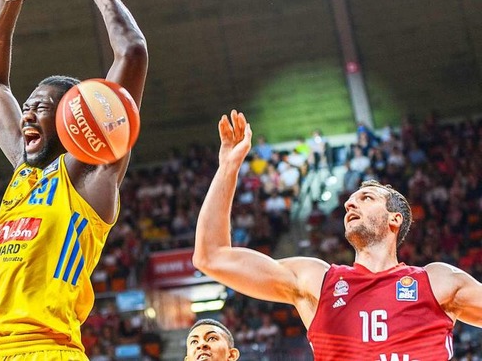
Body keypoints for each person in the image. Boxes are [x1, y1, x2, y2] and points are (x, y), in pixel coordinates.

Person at [0, 0, 148, 358]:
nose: (26, 114)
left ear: (71, 122)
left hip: (47, 348)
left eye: (40, 108)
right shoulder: (24, 169)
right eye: (25, 106)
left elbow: (133, 51)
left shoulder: (88, 174)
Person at [193, 110, 482, 361]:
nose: (349, 203)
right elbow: (211, 256)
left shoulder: (437, 281)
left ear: (395, 219)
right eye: (351, 200)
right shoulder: (318, 281)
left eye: (366, 198)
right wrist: (228, 167)